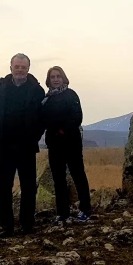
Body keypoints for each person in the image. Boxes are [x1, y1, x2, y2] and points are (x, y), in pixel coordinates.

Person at [0, 53, 45, 237]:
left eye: (23, 67)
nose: (20, 70)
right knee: (4, 187)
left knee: (29, 187)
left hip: (27, 147)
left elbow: (42, 119)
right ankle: (6, 225)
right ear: (10, 67)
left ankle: (27, 225)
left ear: (28, 69)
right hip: (5, 146)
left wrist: (35, 136)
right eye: (17, 66)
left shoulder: (37, 90)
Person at [40, 66, 92, 224]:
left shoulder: (71, 95)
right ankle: (62, 213)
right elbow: (43, 120)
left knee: (78, 175)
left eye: (58, 76)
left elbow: (77, 117)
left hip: (71, 143)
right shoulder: (46, 99)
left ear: (64, 78)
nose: (55, 79)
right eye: (52, 77)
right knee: (58, 179)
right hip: (54, 145)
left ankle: (85, 209)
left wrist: (61, 131)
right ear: (48, 80)